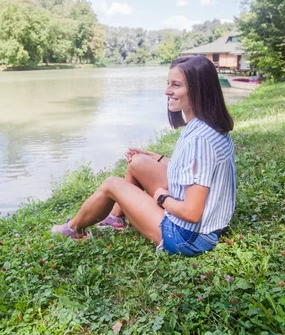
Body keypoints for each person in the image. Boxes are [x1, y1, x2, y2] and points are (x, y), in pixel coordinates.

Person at [51, 55, 236, 256]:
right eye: (168, 83)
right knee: (137, 162)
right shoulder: (209, 127)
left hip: (188, 238)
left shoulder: (200, 141)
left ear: (198, 90)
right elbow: (195, 169)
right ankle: (116, 218)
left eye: (176, 85)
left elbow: (192, 213)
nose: (167, 91)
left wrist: (162, 198)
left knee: (112, 184)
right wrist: (152, 156)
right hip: (210, 226)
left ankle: (73, 228)